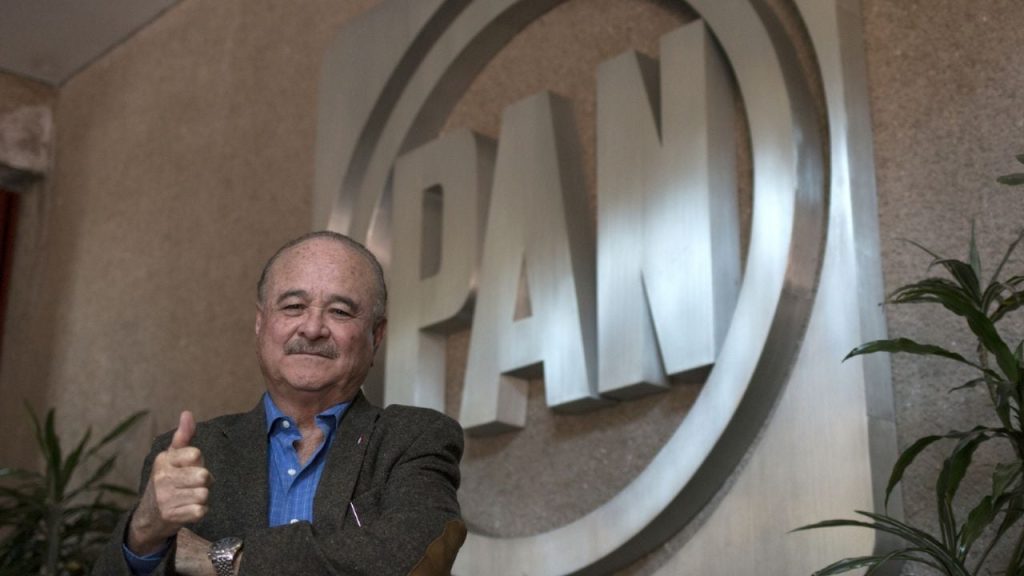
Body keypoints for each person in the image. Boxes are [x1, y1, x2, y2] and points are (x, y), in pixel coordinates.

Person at [93, 231, 466, 576]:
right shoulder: (192, 453)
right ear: (260, 324)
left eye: (340, 311)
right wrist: (143, 532)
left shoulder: (413, 438)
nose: (312, 328)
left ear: (376, 335)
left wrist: (222, 559)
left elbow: (413, 555)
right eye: (293, 306)